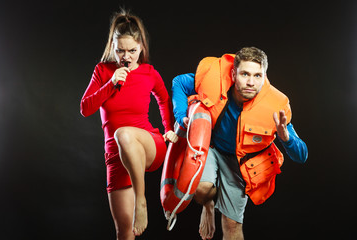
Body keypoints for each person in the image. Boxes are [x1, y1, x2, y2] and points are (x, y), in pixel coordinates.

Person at [171, 47, 308, 240]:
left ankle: (218, 205)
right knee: (201, 189)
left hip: (239, 162)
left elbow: (302, 155)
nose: (251, 82)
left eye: (257, 75)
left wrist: (286, 139)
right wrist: (181, 116)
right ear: (234, 73)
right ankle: (208, 205)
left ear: (264, 76)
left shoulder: (275, 108)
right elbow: (178, 82)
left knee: (232, 226)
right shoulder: (215, 80)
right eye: (245, 74)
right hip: (210, 147)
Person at [80, 9, 177, 239]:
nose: (126, 57)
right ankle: (137, 202)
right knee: (124, 232)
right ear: (112, 47)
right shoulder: (103, 72)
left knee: (123, 133)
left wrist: (169, 129)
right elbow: (85, 108)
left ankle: (141, 201)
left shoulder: (149, 73)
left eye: (132, 50)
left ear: (141, 47)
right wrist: (111, 84)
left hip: (148, 145)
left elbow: (163, 99)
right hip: (116, 156)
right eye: (120, 50)